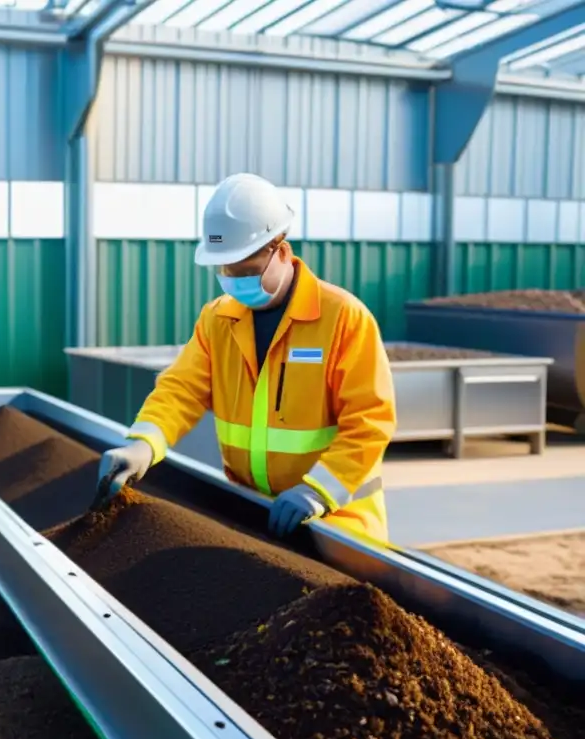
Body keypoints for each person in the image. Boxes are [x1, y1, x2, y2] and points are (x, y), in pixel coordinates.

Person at [95, 172, 396, 542]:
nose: (236, 282)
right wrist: (144, 443)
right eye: (227, 271)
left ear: (280, 250)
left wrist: (318, 491)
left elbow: (370, 420)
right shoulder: (218, 319)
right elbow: (180, 390)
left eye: (246, 271)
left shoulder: (342, 317)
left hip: (337, 519)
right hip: (254, 514)